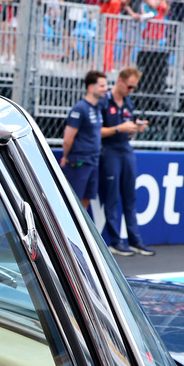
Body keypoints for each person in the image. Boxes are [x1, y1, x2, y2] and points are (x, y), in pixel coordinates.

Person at [98, 67, 153, 256]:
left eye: (134, 88)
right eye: (130, 87)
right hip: (110, 151)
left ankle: (135, 240)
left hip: (126, 150)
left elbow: (126, 128)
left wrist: (135, 128)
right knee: (112, 197)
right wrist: (119, 128)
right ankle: (116, 241)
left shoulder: (128, 103)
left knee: (130, 196)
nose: (131, 91)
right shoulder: (104, 101)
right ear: (120, 80)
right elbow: (97, 131)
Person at [60, 70, 107, 209]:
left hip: (93, 161)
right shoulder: (80, 109)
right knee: (73, 202)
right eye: (102, 86)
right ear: (91, 87)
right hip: (79, 162)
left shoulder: (98, 108)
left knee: (86, 200)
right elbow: (68, 139)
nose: (106, 89)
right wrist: (66, 157)